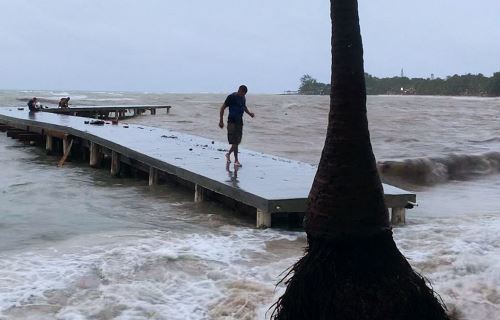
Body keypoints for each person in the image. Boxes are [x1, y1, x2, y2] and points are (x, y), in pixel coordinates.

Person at [218, 85, 255, 167]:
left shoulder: (243, 98)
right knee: (235, 142)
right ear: (239, 90)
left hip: (239, 122)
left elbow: (244, 107)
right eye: (242, 93)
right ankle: (236, 160)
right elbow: (222, 108)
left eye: (244, 94)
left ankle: (228, 154)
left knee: (237, 142)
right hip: (231, 122)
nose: (243, 95)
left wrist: (250, 114)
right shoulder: (231, 97)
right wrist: (221, 121)